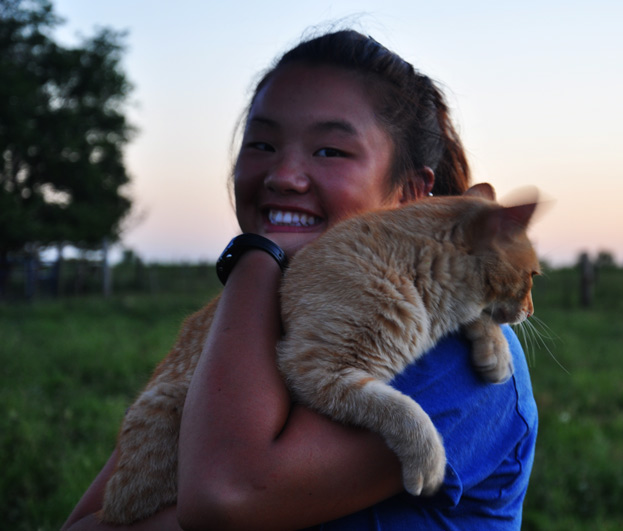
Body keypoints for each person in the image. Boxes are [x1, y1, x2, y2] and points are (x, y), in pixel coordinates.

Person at [63, 29, 538, 530]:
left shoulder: (453, 354)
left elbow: (224, 495)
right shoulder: (263, 311)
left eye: (330, 151)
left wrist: (254, 257)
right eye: (262, 144)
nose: (283, 175)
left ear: (411, 193)